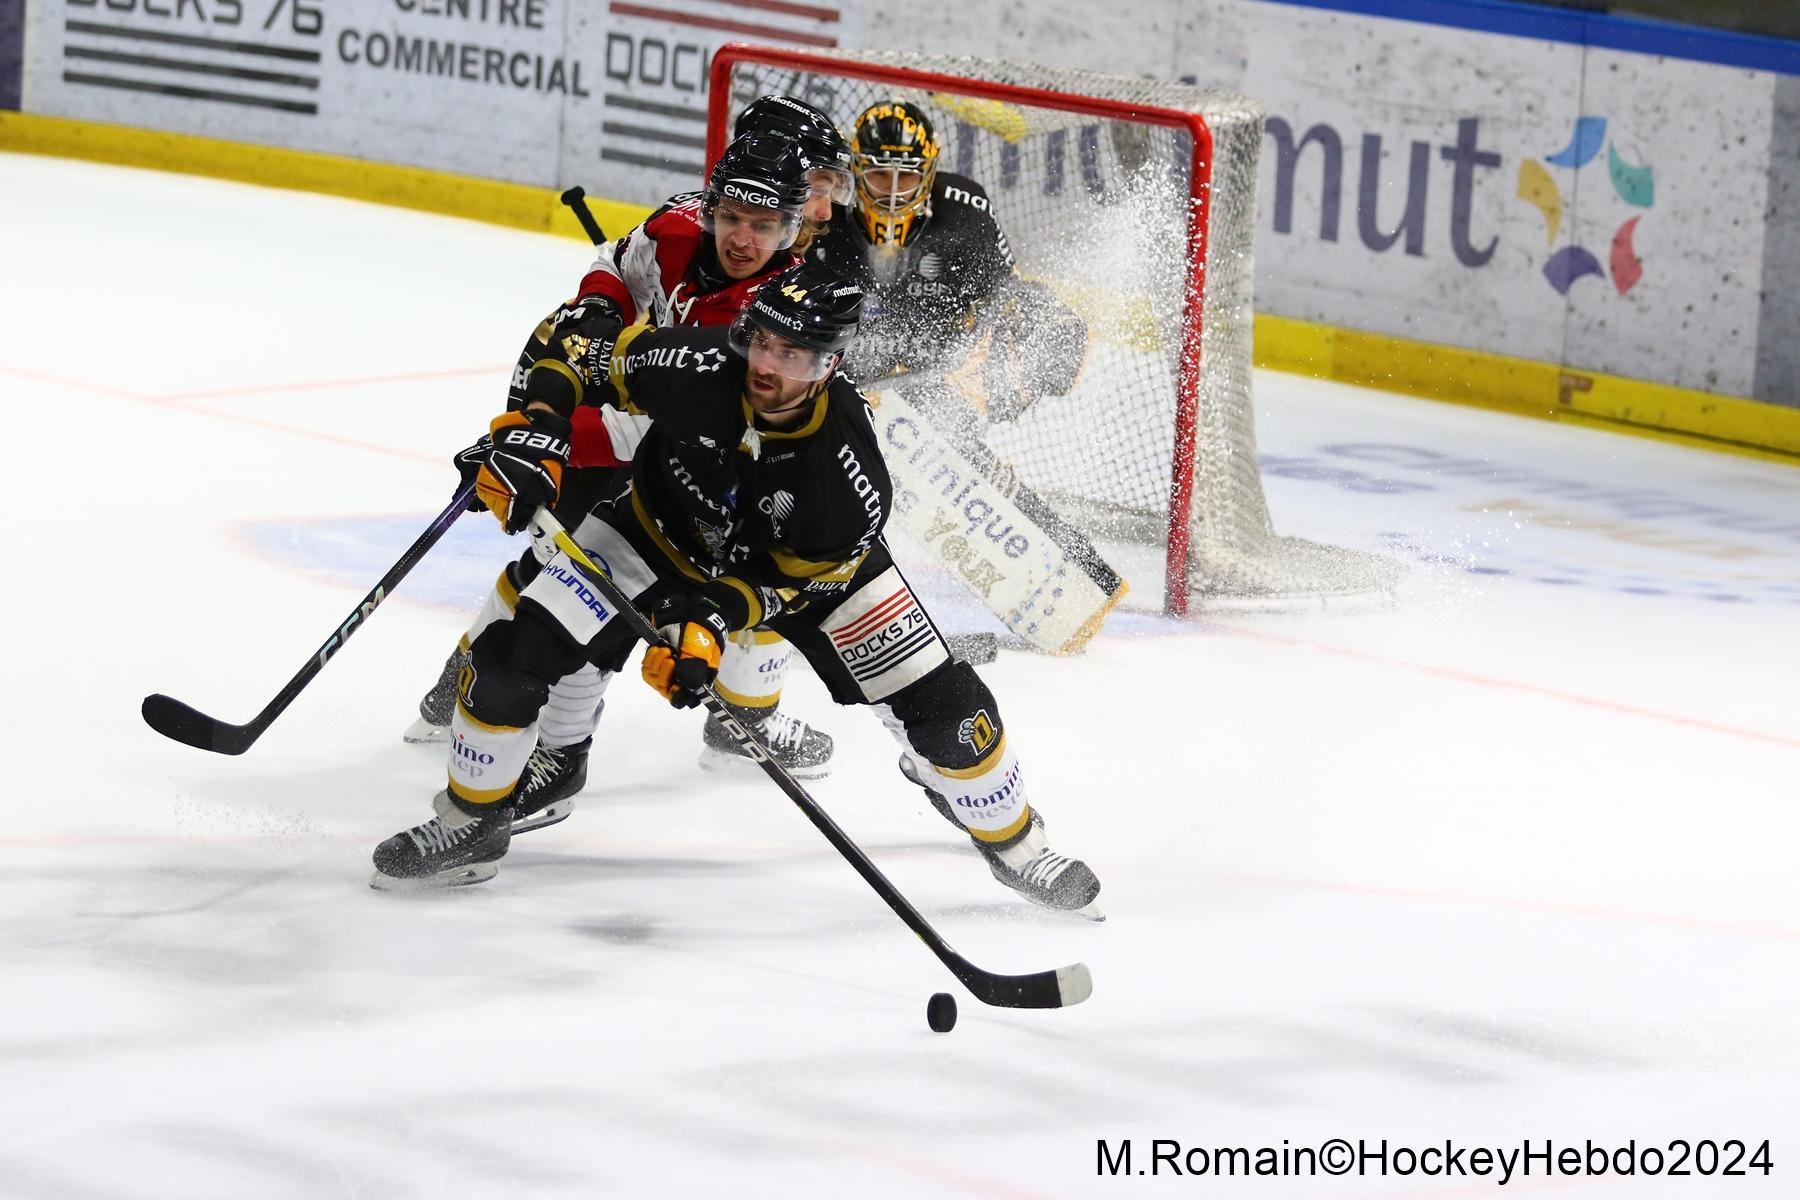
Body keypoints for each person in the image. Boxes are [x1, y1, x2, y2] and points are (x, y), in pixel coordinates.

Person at [370, 261, 1103, 918]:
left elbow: (790, 587)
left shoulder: (845, 475)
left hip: (806, 579)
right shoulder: (697, 367)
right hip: (652, 532)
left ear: (828, 364)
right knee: (503, 661)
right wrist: (535, 430)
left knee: (952, 717)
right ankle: (471, 824)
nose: (765, 363)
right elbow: (575, 346)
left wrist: (708, 623)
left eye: (790, 354)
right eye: (762, 340)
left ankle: (1017, 845)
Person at [406, 121, 848, 820]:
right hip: (618, 408)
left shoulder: (768, 326)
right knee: (552, 567)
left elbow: (641, 435)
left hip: (677, 469)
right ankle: (467, 675)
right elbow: (619, 263)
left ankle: (560, 756)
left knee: (592, 600)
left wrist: (537, 440)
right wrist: (598, 312)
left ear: (791, 227)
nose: (741, 238)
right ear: (709, 207)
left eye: (765, 224)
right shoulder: (677, 223)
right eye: (731, 217)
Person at [809, 99, 1090, 447]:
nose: (895, 193)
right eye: (880, 174)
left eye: (907, 176)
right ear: (855, 170)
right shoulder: (822, 219)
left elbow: (1009, 296)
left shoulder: (965, 213)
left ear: (928, 173)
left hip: (940, 402)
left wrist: (1007, 369)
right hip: (831, 397)